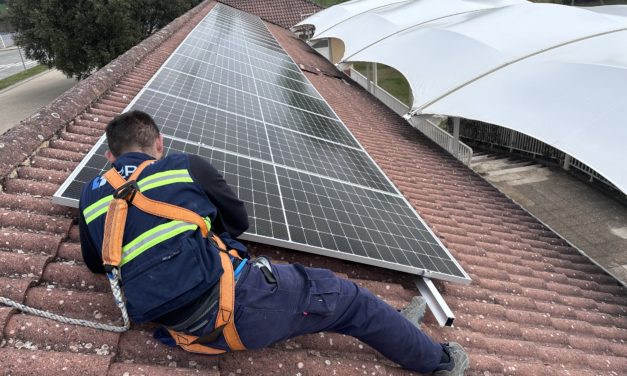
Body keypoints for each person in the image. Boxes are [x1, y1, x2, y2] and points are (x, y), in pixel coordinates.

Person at [79, 110, 469, 375]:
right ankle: (439, 362)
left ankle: (398, 329)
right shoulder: (182, 166)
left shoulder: (90, 198)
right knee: (348, 299)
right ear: (159, 143)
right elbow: (239, 223)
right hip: (236, 309)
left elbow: (100, 265)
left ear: (110, 156)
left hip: (173, 327)